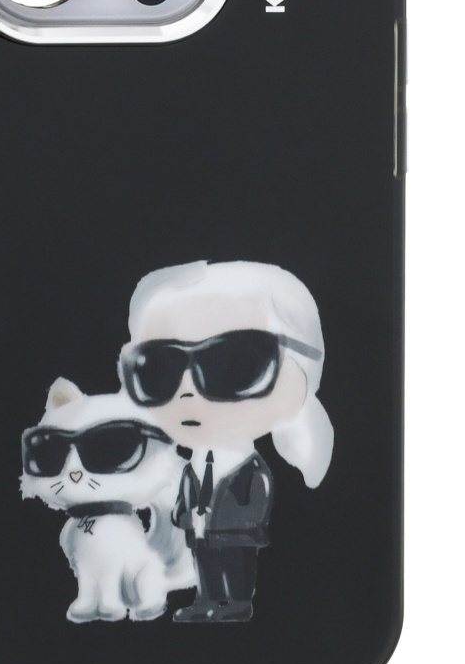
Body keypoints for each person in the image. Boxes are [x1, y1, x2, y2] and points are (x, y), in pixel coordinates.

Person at [118, 260, 333, 622]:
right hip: (201, 532)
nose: (186, 391)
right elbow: (187, 492)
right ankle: (207, 599)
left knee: (234, 568)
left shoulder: (250, 467)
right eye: (157, 368)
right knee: (205, 566)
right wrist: (185, 517)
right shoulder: (195, 462)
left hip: (236, 535)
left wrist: (237, 521)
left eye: (236, 366)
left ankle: (236, 603)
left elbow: (257, 493)